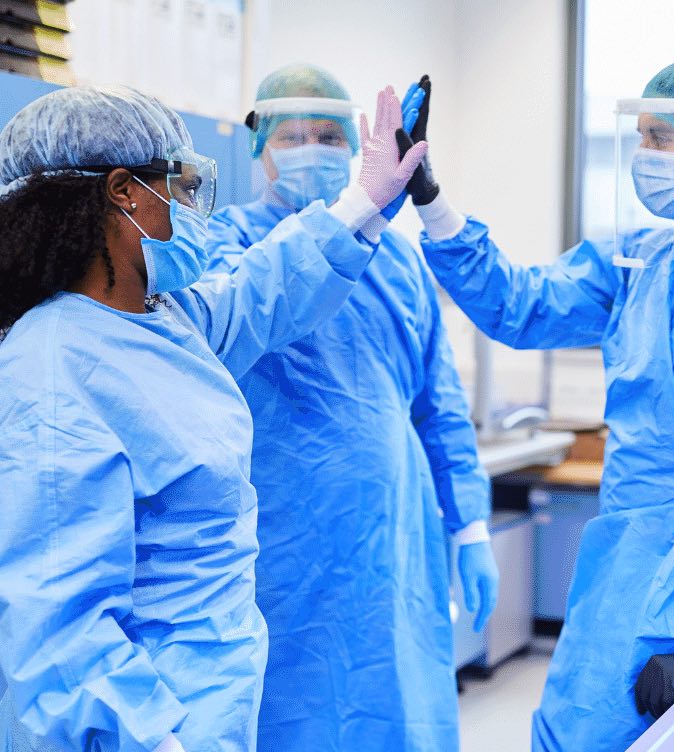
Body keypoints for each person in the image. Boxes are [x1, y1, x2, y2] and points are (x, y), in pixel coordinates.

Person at [408, 52, 674, 750]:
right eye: (638, 136)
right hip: (625, 569)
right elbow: (519, 305)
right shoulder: (645, 258)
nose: (643, 156)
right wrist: (431, 198)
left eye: (658, 138)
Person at [0, 82, 426, 752]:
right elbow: (57, 626)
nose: (195, 207)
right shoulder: (52, 370)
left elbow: (263, 291)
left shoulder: (162, 320)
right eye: (183, 184)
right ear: (124, 193)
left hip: (206, 705)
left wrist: (363, 204)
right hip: (141, 728)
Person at [206, 63, 492, 752]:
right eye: (293, 134)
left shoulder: (399, 263)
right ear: (259, 146)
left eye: (330, 136)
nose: (311, 147)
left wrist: (470, 525)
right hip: (283, 540)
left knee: (396, 710)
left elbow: (439, 404)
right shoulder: (227, 248)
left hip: (395, 537)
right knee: (289, 715)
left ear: (357, 147)